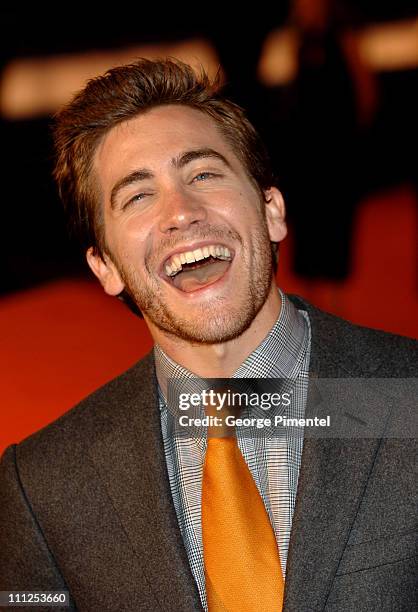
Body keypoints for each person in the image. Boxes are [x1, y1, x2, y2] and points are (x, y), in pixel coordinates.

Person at [0, 59, 416, 612]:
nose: (181, 212)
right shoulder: (41, 486)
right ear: (106, 268)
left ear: (271, 211)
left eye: (203, 174)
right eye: (138, 196)